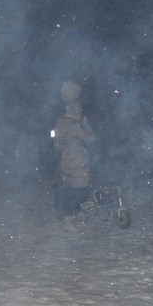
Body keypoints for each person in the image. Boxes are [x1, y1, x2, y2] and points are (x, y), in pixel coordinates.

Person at [52, 96, 95, 232]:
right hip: (78, 161)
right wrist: (86, 125)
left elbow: (56, 144)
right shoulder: (75, 125)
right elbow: (90, 139)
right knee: (79, 190)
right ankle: (71, 219)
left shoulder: (60, 123)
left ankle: (65, 217)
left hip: (65, 160)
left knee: (68, 188)